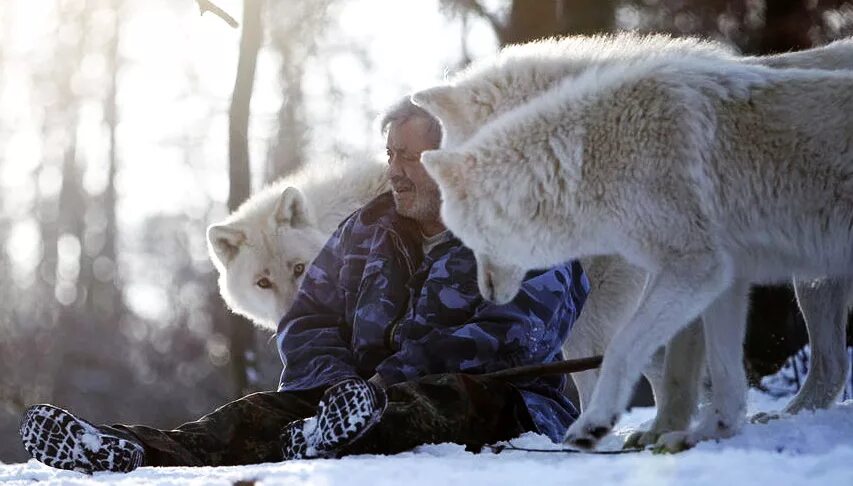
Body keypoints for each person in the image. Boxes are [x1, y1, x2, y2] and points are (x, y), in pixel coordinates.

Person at [19, 97, 589, 473]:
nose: (394, 171)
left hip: (510, 403)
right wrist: (335, 384)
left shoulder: (525, 226)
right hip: (352, 400)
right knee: (257, 413)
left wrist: (383, 384)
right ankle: (128, 450)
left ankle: (333, 430)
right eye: (390, 154)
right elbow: (308, 317)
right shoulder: (365, 230)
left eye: (411, 158)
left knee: (444, 402)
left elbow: (515, 335)